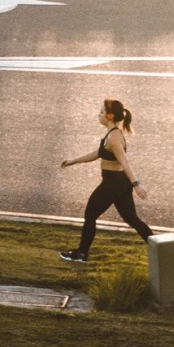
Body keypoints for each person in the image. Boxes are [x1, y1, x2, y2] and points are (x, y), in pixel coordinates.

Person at [59, 98, 152, 263]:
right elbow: (97, 153)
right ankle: (159, 248)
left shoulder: (114, 138)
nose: (98, 115)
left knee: (90, 214)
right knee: (131, 219)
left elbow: (125, 162)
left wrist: (136, 184)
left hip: (113, 184)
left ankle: (81, 254)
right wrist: (73, 161)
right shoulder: (112, 134)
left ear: (109, 116)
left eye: (101, 112)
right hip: (119, 183)